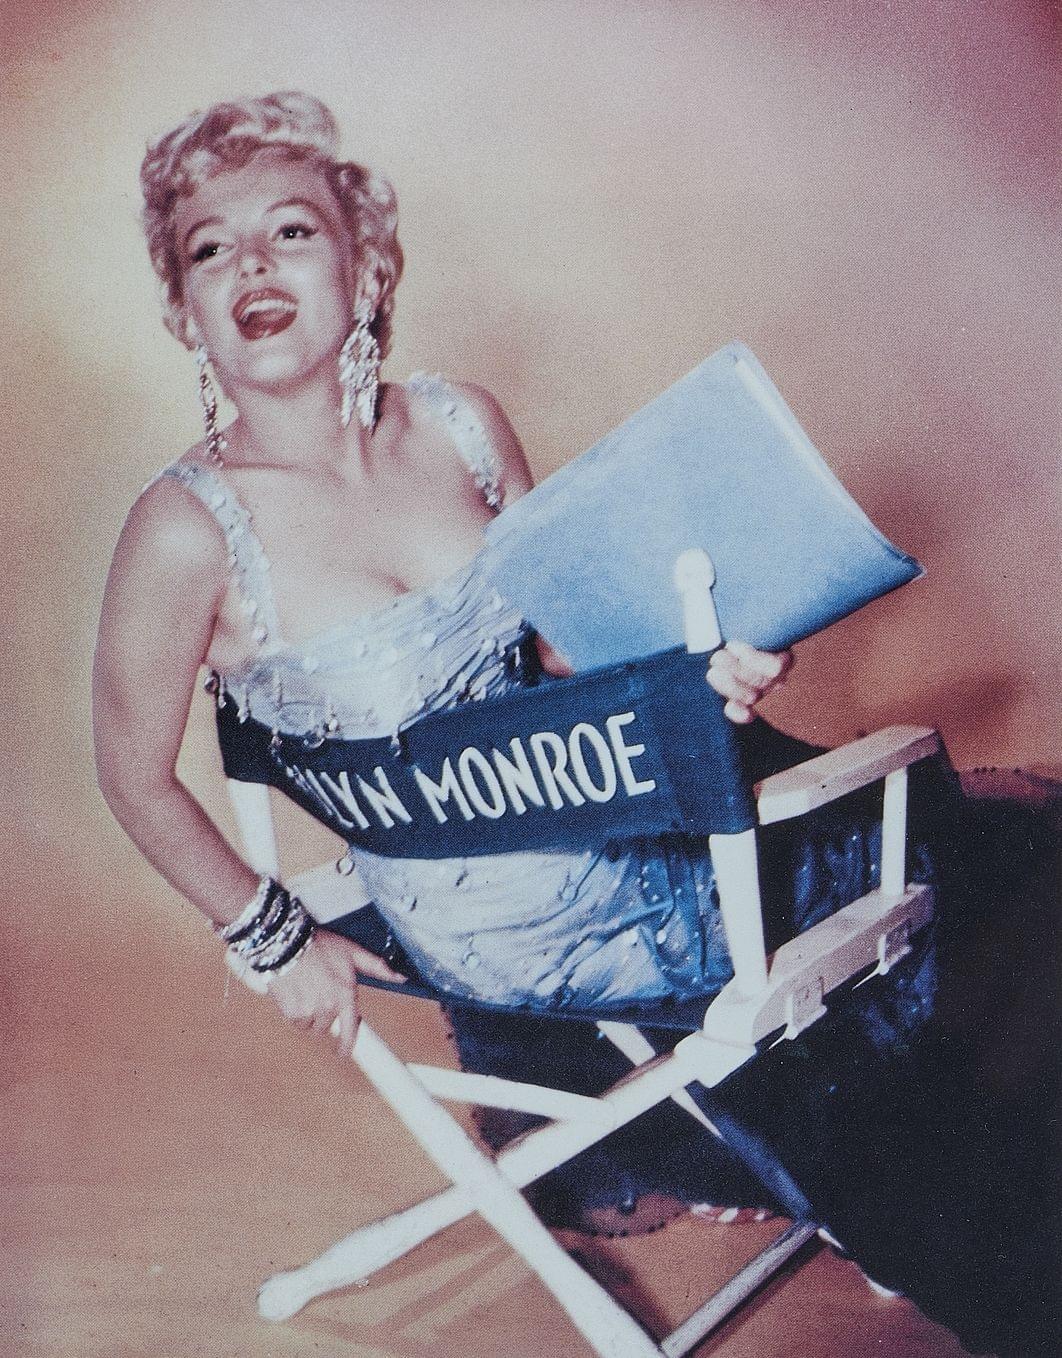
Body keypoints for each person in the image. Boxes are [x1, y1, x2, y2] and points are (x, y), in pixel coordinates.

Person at [93, 92, 1057, 1353]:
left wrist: (705, 668)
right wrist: (276, 939)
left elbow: (563, 653)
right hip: (520, 914)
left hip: (629, 797)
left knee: (980, 865)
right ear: (182, 309)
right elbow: (130, 771)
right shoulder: (184, 530)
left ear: (367, 268)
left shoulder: (459, 422)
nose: (253, 268)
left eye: (291, 231)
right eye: (211, 249)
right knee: (900, 925)